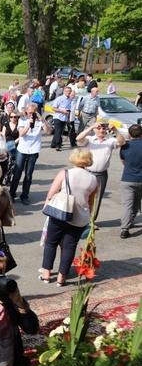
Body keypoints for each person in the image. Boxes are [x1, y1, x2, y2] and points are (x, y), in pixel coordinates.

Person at [40, 148, 98, 286]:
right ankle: (61, 277)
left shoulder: (65, 173)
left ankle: (46, 273)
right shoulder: (94, 179)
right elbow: (90, 202)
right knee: (69, 246)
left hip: (61, 213)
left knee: (51, 243)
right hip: (80, 217)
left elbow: (50, 194)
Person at [76, 121, 126, 222]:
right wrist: (91, 127)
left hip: (101, 174)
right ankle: (80, 219)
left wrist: (115, 130)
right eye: (99, 128)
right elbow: (78, 139)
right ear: (94, 129)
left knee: (97, 199)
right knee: (83, 196)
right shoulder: (89, 140)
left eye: (103, 129)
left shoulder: (110, 140)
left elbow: (122, 142)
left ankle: (91, 220)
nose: (101, 130)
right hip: (88, 172)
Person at [10, 102, 51, 205]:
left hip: (33, 150)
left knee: (28, 175)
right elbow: (21, 134)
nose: (31, 114)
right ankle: (12, 194)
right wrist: (29, 123)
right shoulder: (22, 120)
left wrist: (42, 120)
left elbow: (49, 131)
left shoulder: (40, 121)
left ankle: (25, 195)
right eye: (29, 112)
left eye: (33, 113)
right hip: (22, 150)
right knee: (17, 173)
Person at [120, 125, 142, 238]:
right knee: (136, 200)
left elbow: (123, 161)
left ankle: (125, 228)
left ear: (129, 135)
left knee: (127, 204)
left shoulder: (125, 146)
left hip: (128, 179)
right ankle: (131, 219)